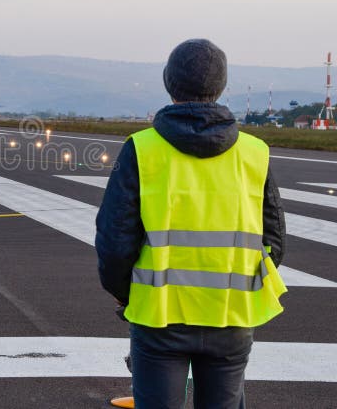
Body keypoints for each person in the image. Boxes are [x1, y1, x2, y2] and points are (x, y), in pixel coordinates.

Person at [95, 39, 287, 409]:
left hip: (160, 317)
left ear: (169, 82)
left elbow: (115, 239)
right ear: (221, 85)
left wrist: (124, 294)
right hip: (231, 315)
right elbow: (274, 241)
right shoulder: (254, 152)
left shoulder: (141, 148)